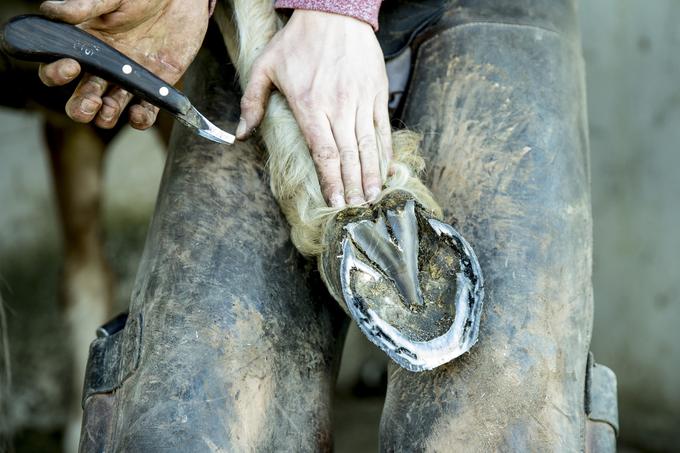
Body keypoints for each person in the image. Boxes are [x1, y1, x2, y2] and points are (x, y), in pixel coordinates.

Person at [37, 0, 618, 451]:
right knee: (189, 415)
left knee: (495, 418)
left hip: (483, 13)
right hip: (256, 21)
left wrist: (334, 8)